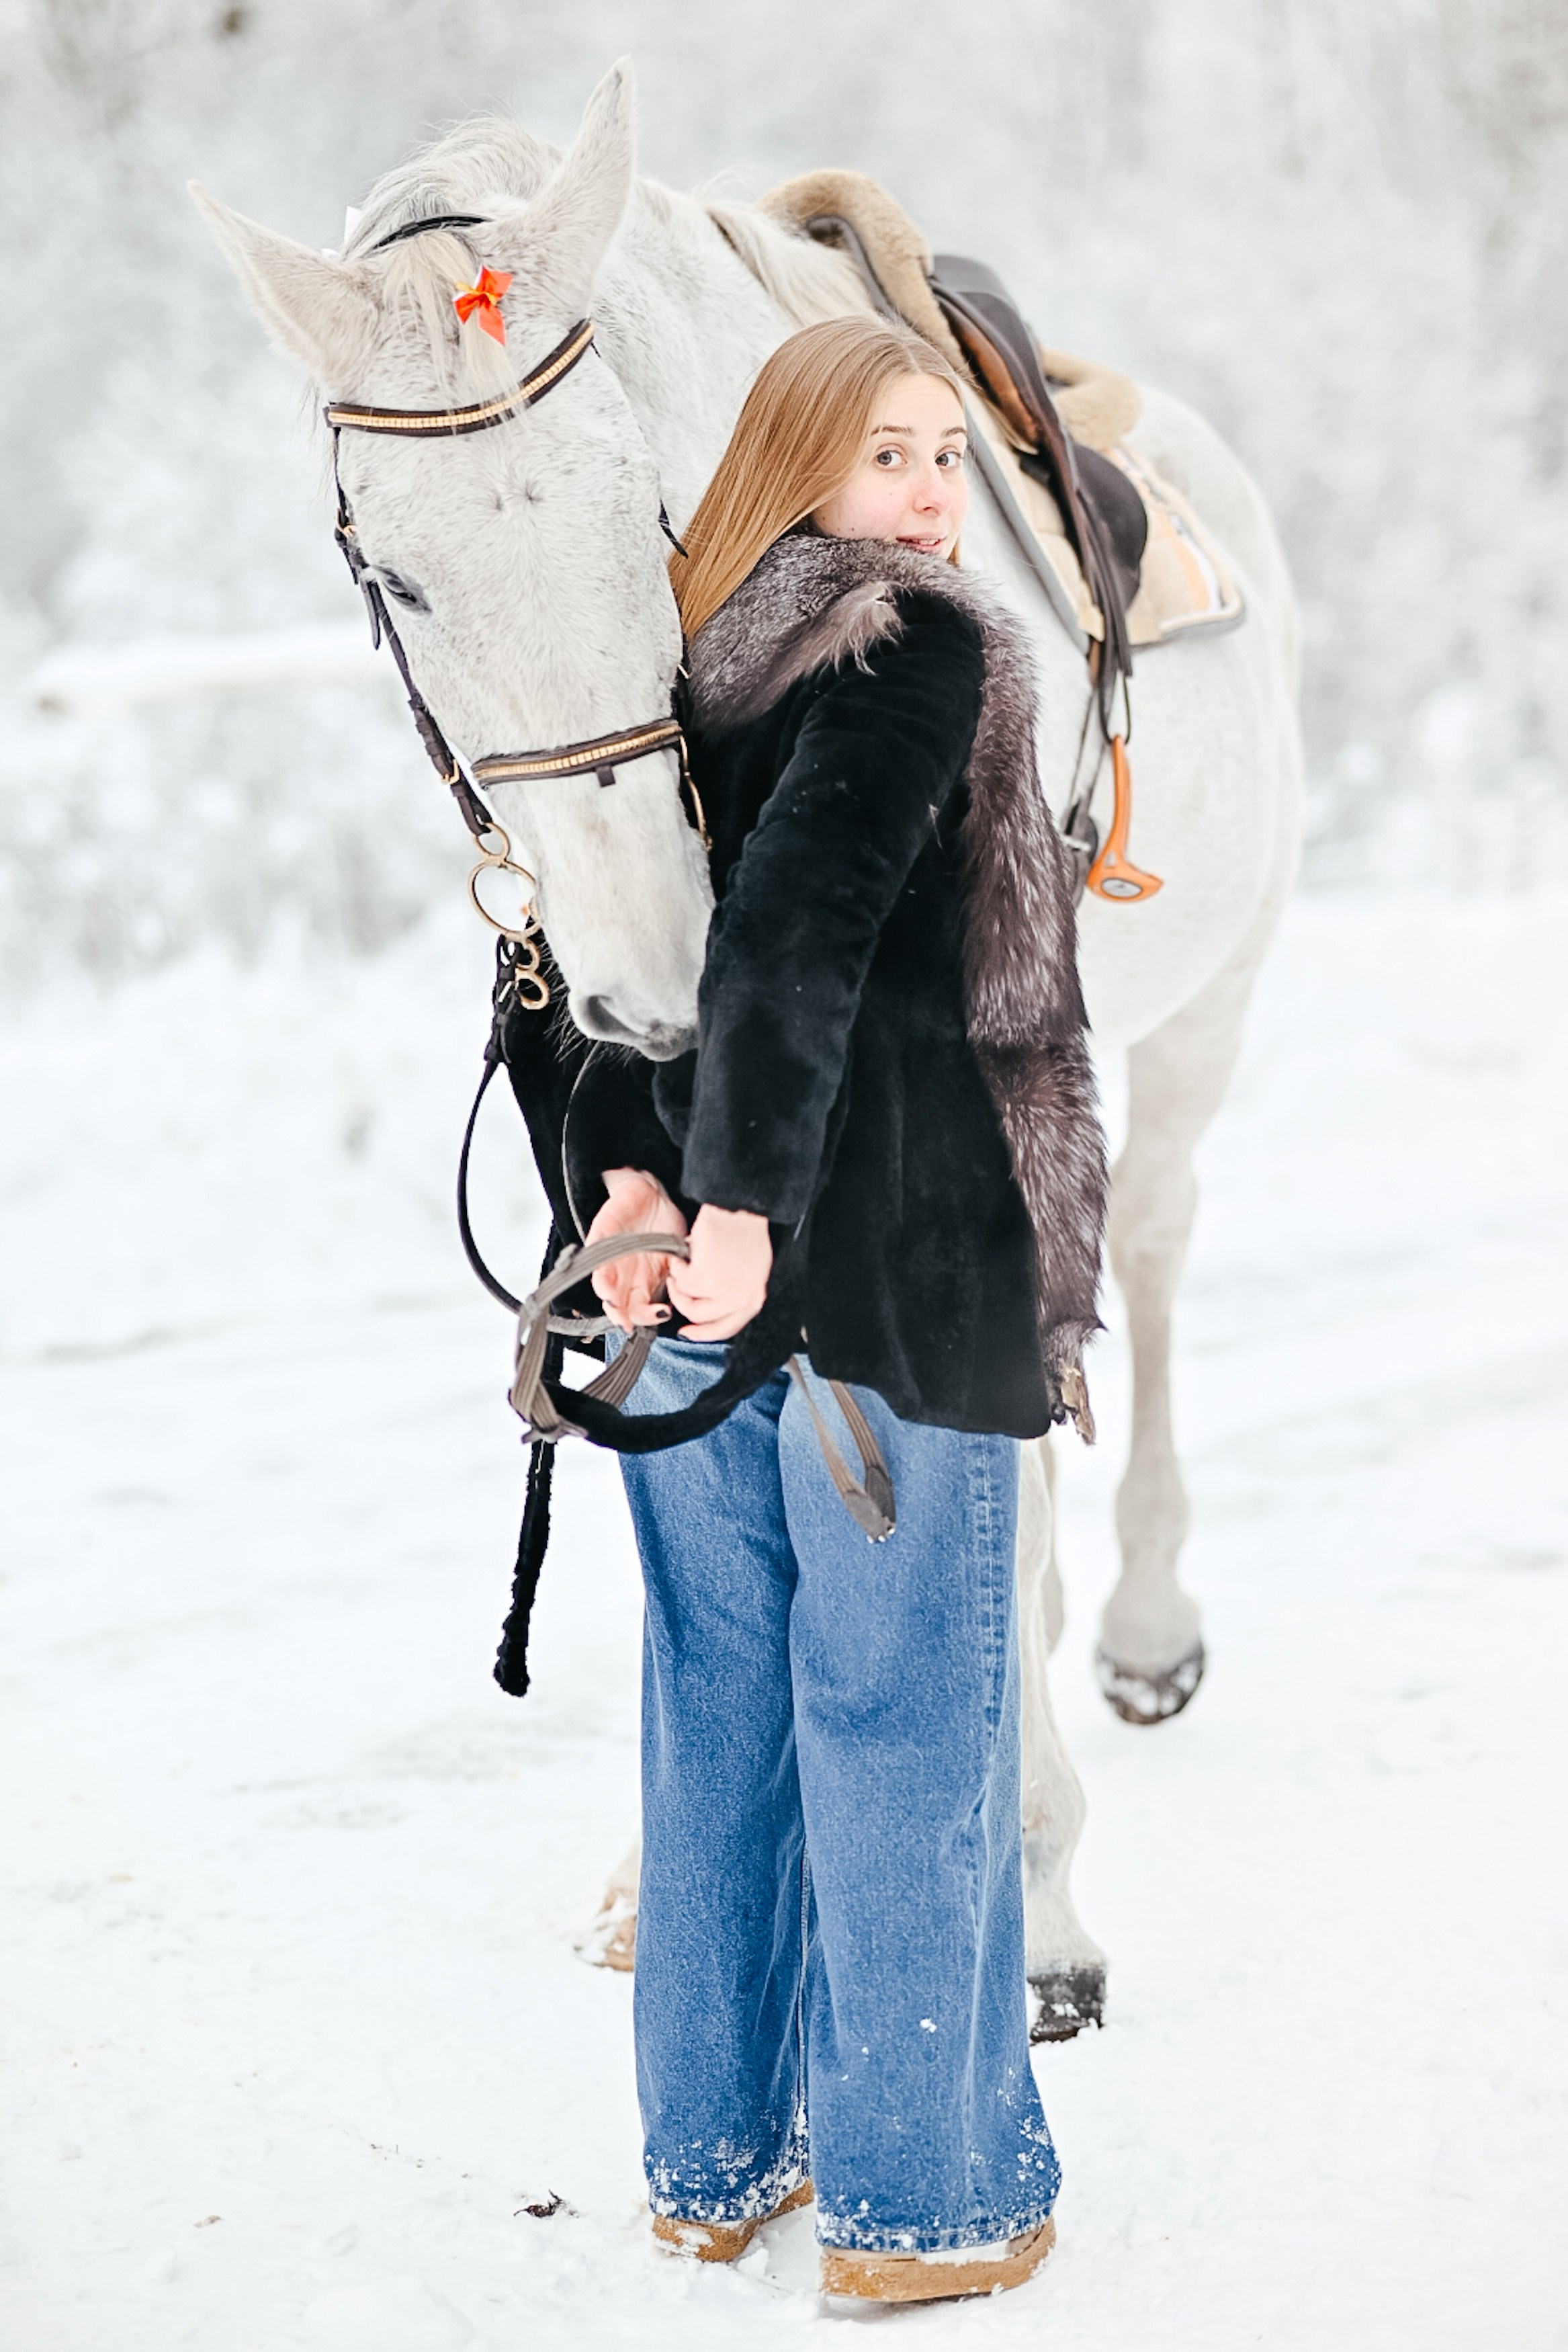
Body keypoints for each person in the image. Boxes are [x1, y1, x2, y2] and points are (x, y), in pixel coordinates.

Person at [514, 317, 1105, 2304]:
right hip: (885, 1282)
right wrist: (758, 1197)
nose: (937, 499)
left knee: (722, 1715)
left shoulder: (673, 678)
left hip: (678, 1279)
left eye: (950, 458)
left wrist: (627, 1173)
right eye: (892, 458)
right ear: (790, 468)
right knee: (906, 1719)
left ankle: (710, 2159)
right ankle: (923, 2203)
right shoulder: (908, 644)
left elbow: (597, 944)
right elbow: (794, 927)